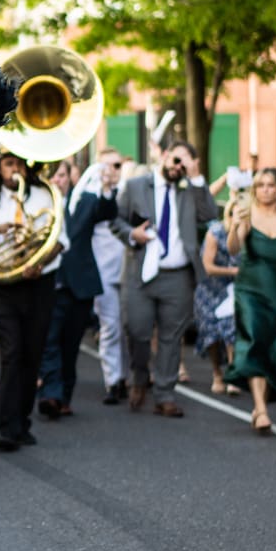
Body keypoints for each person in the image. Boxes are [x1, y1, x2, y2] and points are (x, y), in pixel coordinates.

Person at [112, 140, 219, 417]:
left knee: (172, 337)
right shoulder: (137, 186)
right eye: (176, 160)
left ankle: (165, 393)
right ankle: (139, 377)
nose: (178, 167)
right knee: (137, 330)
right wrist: (130, 234)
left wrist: (196, 179)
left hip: (178, 276)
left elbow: (210, 214)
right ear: (166, 156)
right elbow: (116, 220)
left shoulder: (189, 189)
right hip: (141, 273)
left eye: (185, 163)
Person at [0, 151, 65, 450]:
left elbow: (60, 241)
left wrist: (39, 260)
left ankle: (22, 421)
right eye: (9, 164)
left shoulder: (45, 194)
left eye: (20, 163)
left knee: (32, 354)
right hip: (3, 287)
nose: (15, 169)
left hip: (39, 285)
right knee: (11, 354)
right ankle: (7, 428)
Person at [39, 155, 119, 416]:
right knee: (49, 340)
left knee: (70, 345)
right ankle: (50, 393)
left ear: (70, 177)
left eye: (62, 175)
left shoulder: (84, 201)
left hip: (80, 285)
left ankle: (64, 396)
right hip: (50, 284)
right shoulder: (39, 204)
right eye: (52, 176)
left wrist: (107, 188)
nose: (57, 181)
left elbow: (107, 211)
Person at [224, 168, 276, 434]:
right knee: (253, 340)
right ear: (255, 190)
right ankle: (261, 409)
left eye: (271, 185)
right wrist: (234, 226)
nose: (266, 189)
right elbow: (233, 249)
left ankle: (259, 405)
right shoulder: (247, 214)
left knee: (273, 348)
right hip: (250, 289)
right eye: (261, 185)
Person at [73, 148, 130, 403]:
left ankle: (129, 376)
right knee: (110, 327)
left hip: (129, 269)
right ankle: (113, 380)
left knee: (131, 327)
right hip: (103, 271)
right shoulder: (89, 195)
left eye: (116, 165)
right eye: (106, 166)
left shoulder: (131, 190)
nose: (112, 171)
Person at [194, 214, 240, 394]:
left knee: (231, 328)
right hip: (210, 289)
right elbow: (208, 266)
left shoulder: (251, 232)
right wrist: (234, 271)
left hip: (234, 287)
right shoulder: (216, 232)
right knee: (211, 334)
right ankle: (217, 373)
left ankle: (232, 374)